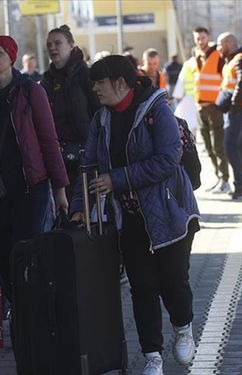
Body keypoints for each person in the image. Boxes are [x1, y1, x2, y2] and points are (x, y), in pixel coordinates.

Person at [71, 55, 200, 375]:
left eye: (99, 82)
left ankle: (183, 328)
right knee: (142, 287)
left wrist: (117, 179)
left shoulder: (157, 111)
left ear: (120, 83)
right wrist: (78, 207)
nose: (95, 89)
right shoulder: (101, 119)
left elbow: (169, 159)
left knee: (174, 283)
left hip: (170, 214)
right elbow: (88, 166)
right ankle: (152, 355)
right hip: (128, 219)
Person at [0, 35, 69, 303]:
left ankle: (31, 305)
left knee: (27, 248)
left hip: (30, 184)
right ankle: (12, 304)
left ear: (12, 57)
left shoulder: (31, 91)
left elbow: (48, 140)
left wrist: (60, 188)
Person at [40, 25, 101, 200]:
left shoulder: (86, 75)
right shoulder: (47, 80)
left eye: (58, 43)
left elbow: (99, 111)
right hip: (57, 155)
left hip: (85, 154)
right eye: (49, 45)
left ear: (71, 45)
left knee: (84, 206)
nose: (52, 48)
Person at [216, 32, 242, 200]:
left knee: (230, 145)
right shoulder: (235, 59)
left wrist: (233, 106)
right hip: (238, 109)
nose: (218, 48)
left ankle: (240, 187)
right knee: (241, 146)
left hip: (239, 109)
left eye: (220, 44)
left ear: (228, 43)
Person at [192, 27, 230, 193]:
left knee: (218, 146)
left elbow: (225, 78)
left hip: (214, 107)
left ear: (208, 37)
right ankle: (218, 177)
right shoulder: (196, 56)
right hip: (200, 107)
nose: (200, 41)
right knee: (208, 147)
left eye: (202, 37)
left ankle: (226, 180)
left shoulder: (217, 55)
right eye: (197, 38)